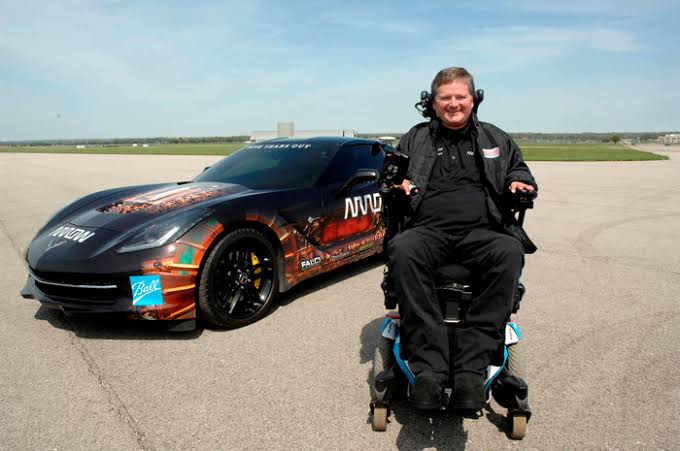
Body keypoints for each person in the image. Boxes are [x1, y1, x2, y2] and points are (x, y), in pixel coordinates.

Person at [387, 67, 537, 411]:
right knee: (402, 249)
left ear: (474, 99)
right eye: (445, 97)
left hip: (482, 232)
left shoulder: (495, 138)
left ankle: (471, 370)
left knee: (510, 251)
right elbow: (392, 172)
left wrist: (518, 182)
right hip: (428, 231)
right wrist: (397, 185)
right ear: (432, 103)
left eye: (460, 96)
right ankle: (430, 369)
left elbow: (519, 168)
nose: (453, 104)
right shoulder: (415, 138)